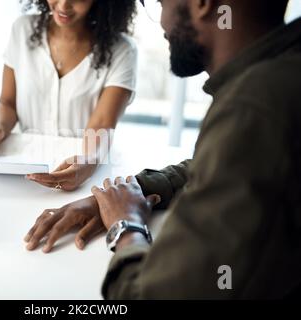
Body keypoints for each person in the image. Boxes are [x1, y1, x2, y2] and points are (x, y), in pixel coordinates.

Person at [24, 0, 301, 299]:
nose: (162, 22)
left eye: (159, 2)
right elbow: (230, 160)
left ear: (202, 5)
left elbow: (145, 295)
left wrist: (126, 227)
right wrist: (129, 193)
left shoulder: (253, 110)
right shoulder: (281, 74)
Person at [0, 0, 138, 191]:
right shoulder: (22, 29)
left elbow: (101, 124)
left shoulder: (123, 51)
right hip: (21, 174)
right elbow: (8, 103)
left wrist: (88, 162)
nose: (63, 5)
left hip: (83, 178)